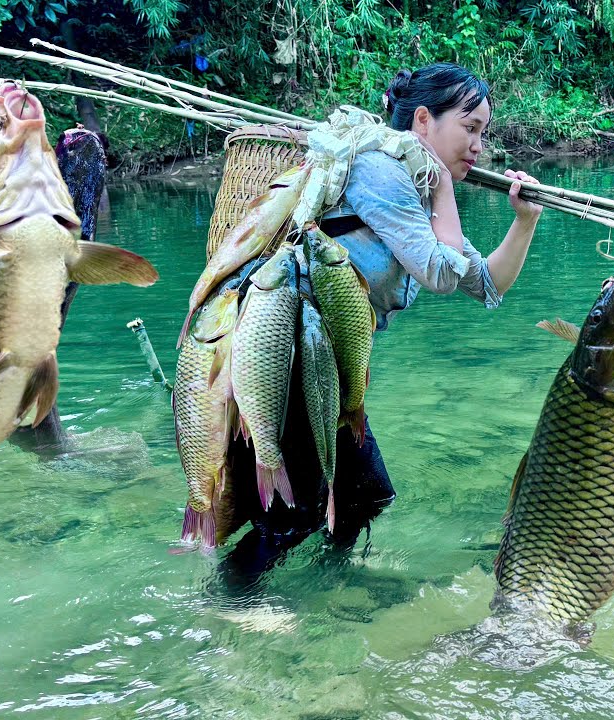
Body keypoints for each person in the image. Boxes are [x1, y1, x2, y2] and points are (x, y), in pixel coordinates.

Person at [217, 63, 542, 591]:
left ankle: (331, 583)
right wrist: (444, 191)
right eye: (471, 128)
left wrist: (524, 221)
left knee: (364, 496)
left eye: (484, 132)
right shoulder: (380, 170)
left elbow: (485, 283)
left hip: (332, 365)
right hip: (292, 355)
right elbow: (440, 270)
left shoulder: (411, 178)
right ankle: (228, 604)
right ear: (422, 119)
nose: (480, 145)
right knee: (293, 513)